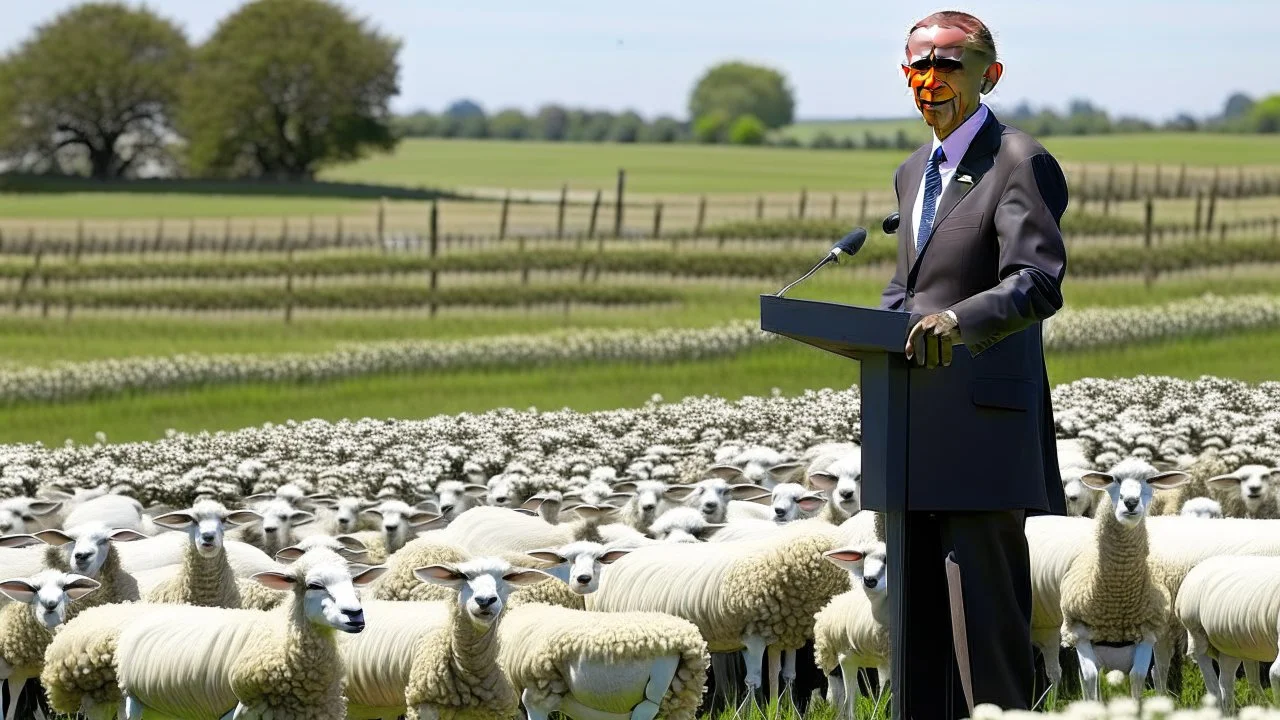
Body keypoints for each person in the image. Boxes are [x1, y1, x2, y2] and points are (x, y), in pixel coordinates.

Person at [878, 11, 1069, 719]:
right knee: (917, 637)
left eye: (947, 67)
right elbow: (908, 289)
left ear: (989, 74)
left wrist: (956, 322)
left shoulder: (1019, 160)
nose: (929, 82)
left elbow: (1036, 280)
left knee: (983, 637)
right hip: (913, 431)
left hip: (982, 432)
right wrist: (880, 321)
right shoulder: (911, 173)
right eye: (916, 68)